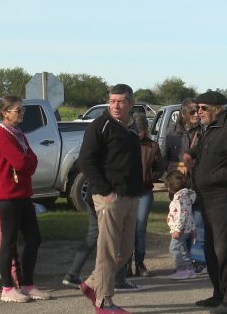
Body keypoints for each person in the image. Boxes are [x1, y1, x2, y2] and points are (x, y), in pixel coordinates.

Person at [78, 84, 142, 314]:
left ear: (130, 104)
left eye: (121, 101)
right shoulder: (100, 125)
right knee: (107, 250)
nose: (116, 105)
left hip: (131, 196)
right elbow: (85, 161)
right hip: (109, 197)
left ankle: (92, 283)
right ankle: (104, 302)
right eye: (112, 101)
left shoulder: (130, 128)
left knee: (124, 251)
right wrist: (106, 192)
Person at [183, 91, 227, 314]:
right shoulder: (207, 129)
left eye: (203, 108)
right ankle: (219, 294)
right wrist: (190, 153)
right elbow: (202, 151)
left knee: (224, 251)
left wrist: (215, 177)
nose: (198, 112)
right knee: (210, 251)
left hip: (224, 199)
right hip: (206, 199)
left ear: (217, 109)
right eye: (197, 108)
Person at [0, 95, 50, 303]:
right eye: (18, 110)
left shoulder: (18, 134)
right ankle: (7, 288)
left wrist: (27, 163)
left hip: (23, 194)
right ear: (5, 113)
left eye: (22, 110)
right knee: (9, 242)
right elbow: (22, 163)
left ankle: (27, 285)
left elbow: (31, 160)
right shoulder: (0, 135)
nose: (22, 113)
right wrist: (27, 163)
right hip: (8, 195)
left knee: (34, 238)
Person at [62, 185, 142, 293]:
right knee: (113, 239)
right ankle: (116, 281)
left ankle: (73, 274)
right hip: (106, 196)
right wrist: (107, 192)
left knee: (97, 236)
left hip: (100, 193)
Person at [162, 99, 207, 274]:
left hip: (197, 185)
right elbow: (163, 157)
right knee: (181, 227)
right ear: (183, 113)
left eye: (198, 111)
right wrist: (174, 169)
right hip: (178, 187)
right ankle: (185, 263)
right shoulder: (172, 131)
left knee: (198, 225)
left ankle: (199, 261)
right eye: (192, 112)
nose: (196, 114)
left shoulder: (204, 131)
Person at [127, 114, 165, 278]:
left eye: (141, 130)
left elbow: (160, 168)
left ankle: (140, 263)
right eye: (137, 130)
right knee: (127, 229)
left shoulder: (152, 147)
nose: (139, 133)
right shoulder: (126, 143)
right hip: (127, 193)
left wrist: (148, 177)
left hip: (144, 192)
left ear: (146, 131)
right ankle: (126, 264)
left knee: (140, 229)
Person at [164, 170, 197, 280]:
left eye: (168, 186)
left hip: (181, 230)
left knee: (175, 248)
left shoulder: (180, 198)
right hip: (185, 228)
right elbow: (187, 213)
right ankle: (189, 270)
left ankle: (182, 270)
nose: (168, 189)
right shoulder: (185, 195)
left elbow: (183, 215)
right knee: (182, 249)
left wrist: (177, 229)